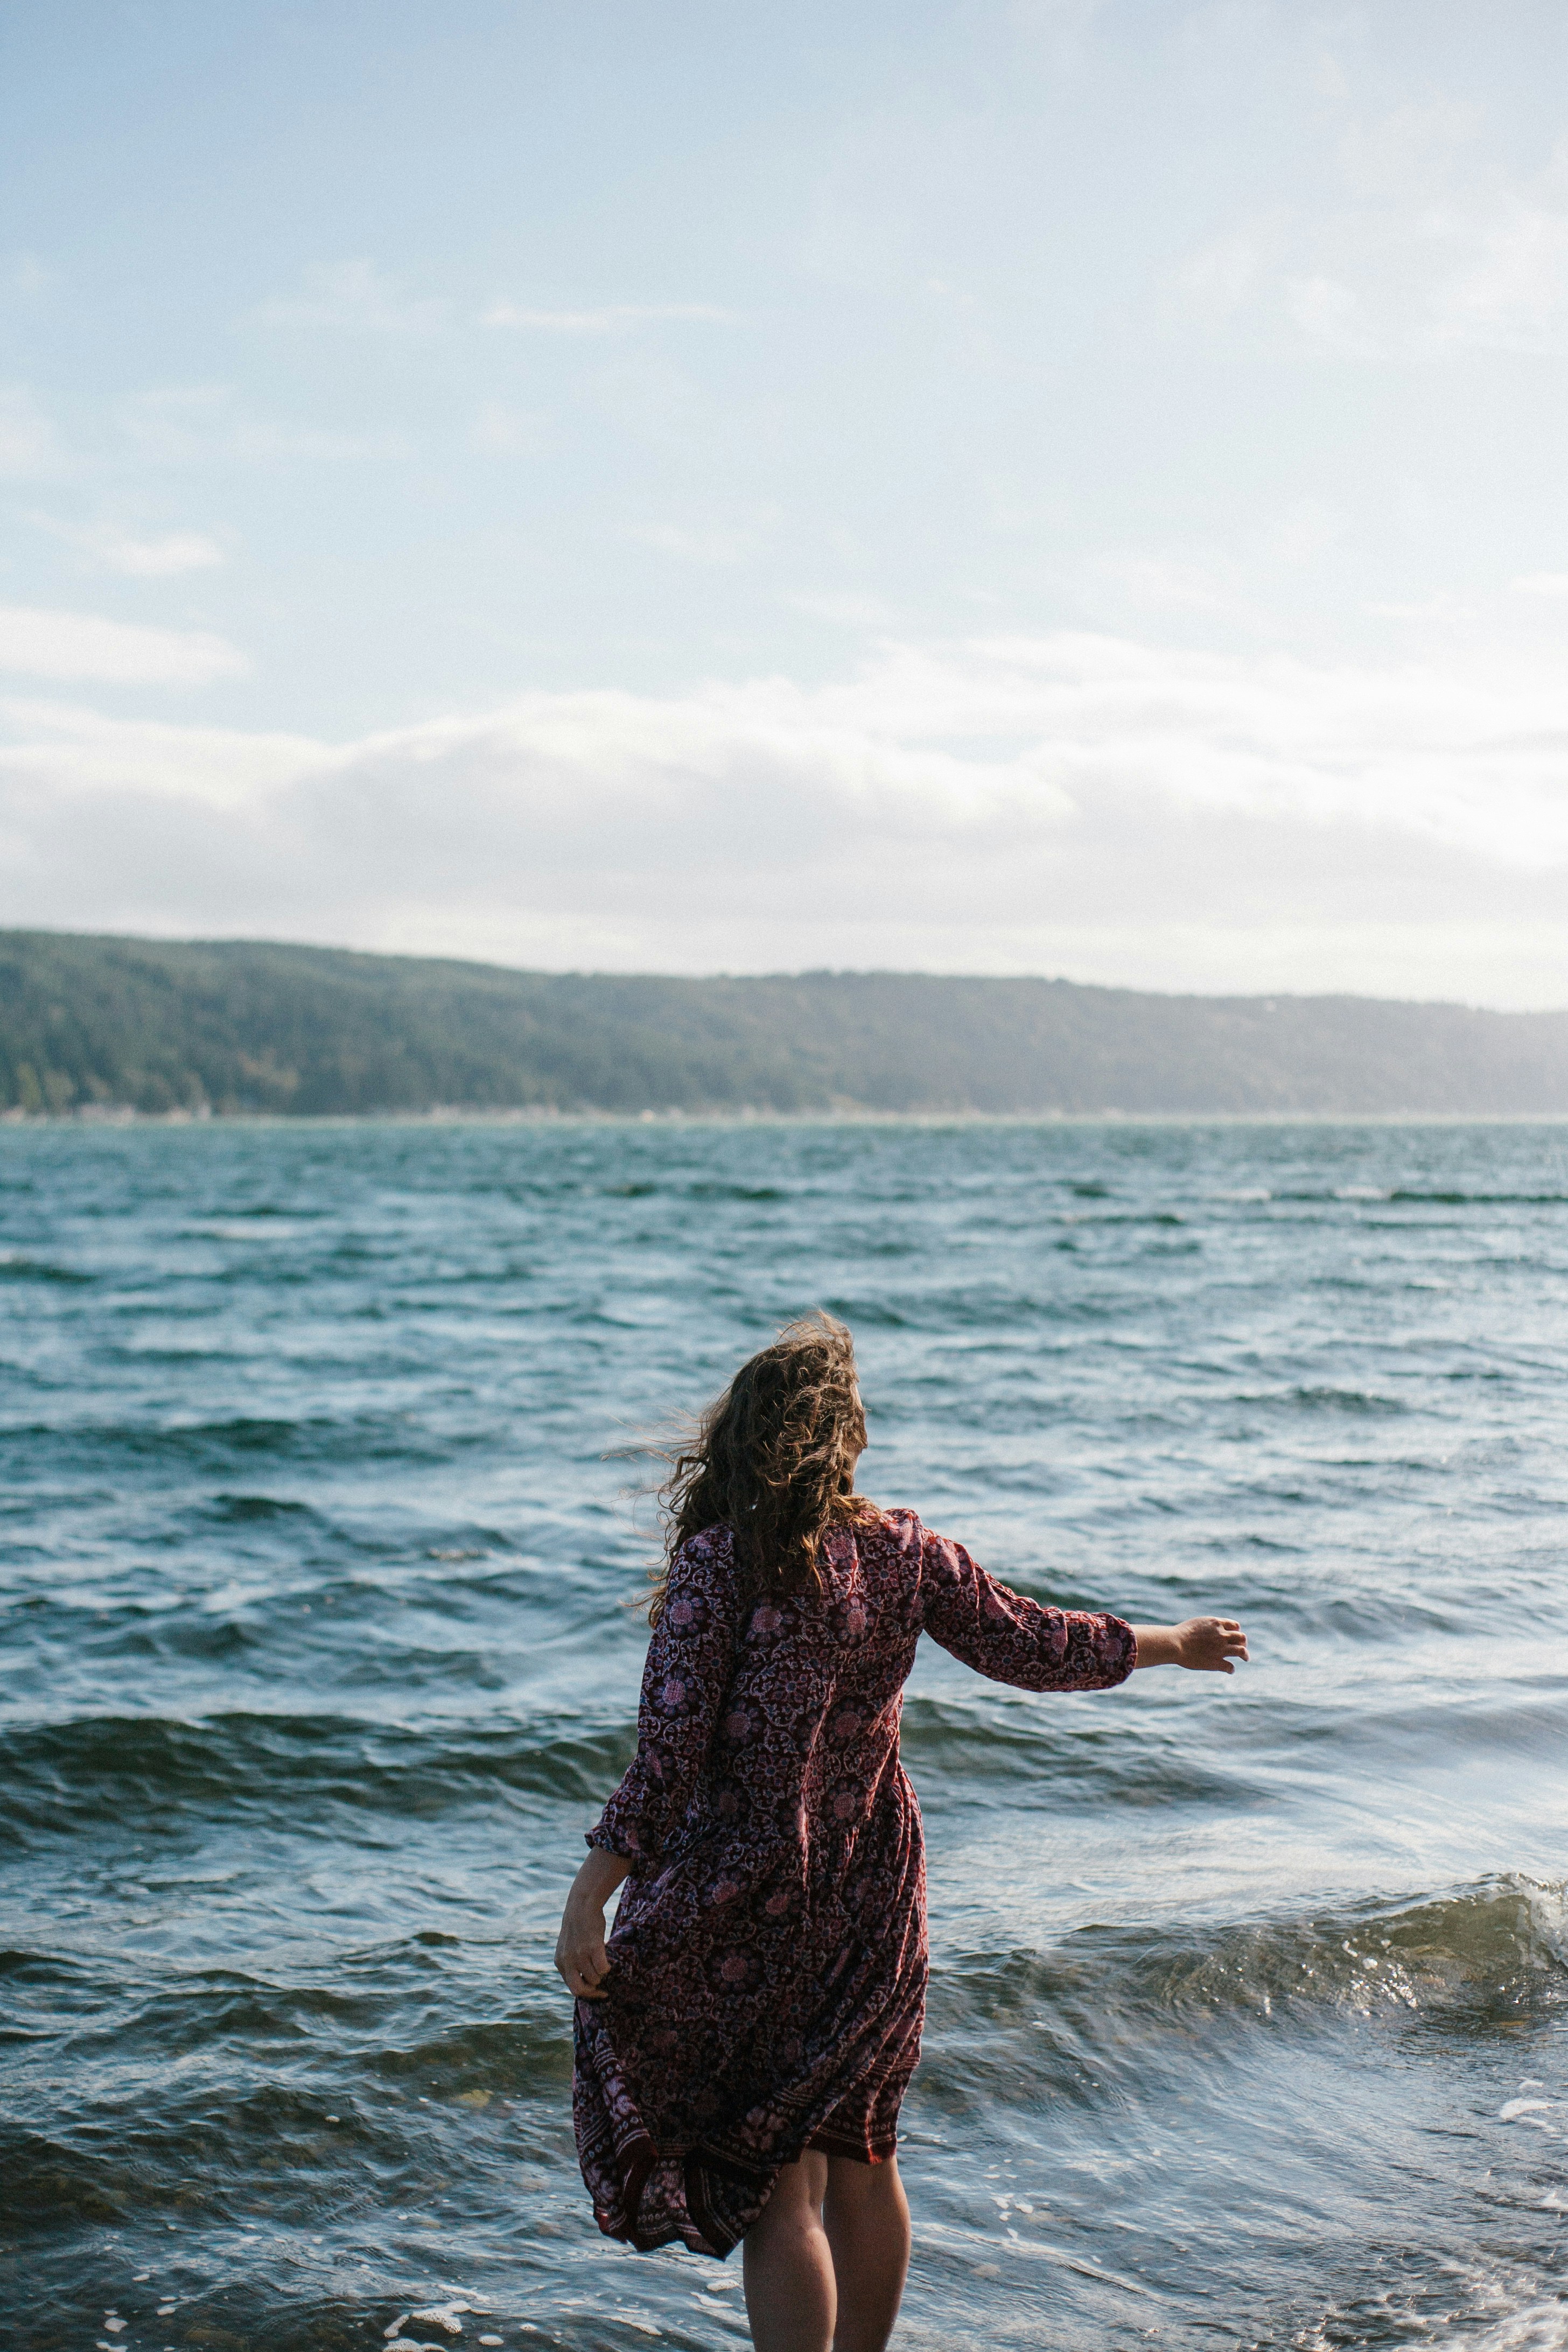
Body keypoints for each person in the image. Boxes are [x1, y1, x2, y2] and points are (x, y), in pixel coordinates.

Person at [556, 1313, 1247, 2352]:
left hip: (753, 1896)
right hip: (878, 1889)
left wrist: (587, 1898)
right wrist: (1171, 1644)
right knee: (865, 2151)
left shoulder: (720, 1562)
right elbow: (1035, 1644)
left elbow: (669, 1759)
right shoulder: (906, 1556)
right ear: (847, 1439)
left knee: (782, 2180)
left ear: (743, 1434)